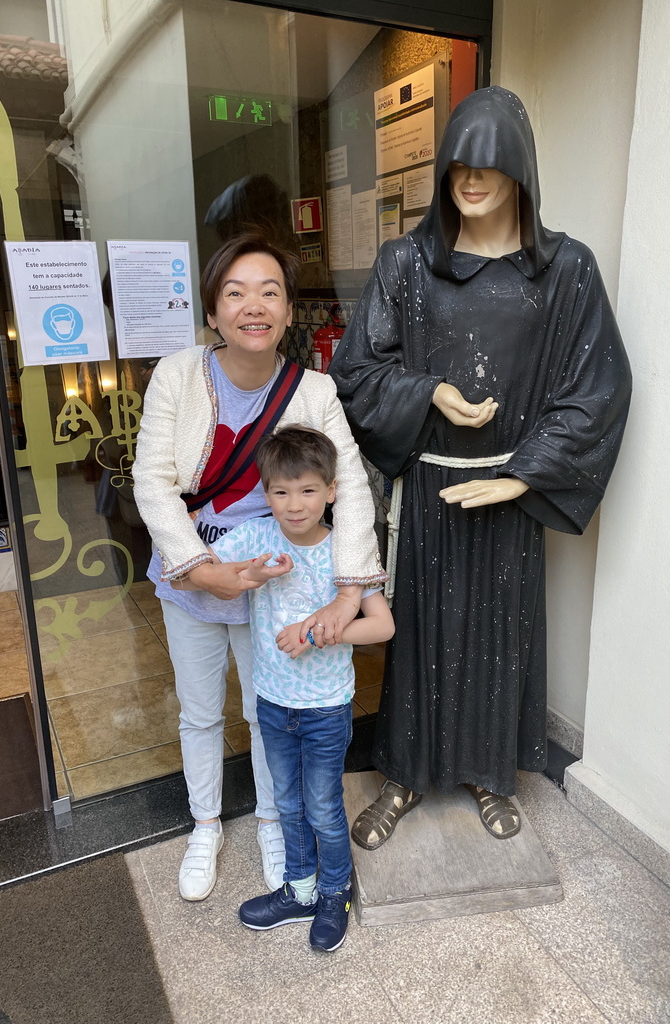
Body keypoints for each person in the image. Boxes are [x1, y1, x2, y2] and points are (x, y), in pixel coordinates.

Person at [329, 87, 632, 848]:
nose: (470, 178)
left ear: (521, 168)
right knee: (420, 636)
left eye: (489, 163)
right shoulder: (406, 264)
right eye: (458, 163)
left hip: (508, 490)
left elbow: (598, 388)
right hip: (429, 486)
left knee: (499, 636)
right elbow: (357, 372)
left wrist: (524, 474)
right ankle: (402, 775)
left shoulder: (565, 271)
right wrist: (428, 389)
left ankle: (489, 774)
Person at [132, 234, 386, 900]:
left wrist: (347, 593)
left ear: (287, 309)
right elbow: (153, 480)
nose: (253, 306)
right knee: (198, 713)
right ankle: (206, 826)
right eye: (235, 293)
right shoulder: (178, 375)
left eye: (269, 292)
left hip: (269, 585)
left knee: (262, 706)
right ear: (212, 311)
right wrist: (196, 567)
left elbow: (352, 486)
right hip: (194, 580)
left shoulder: (315, 390)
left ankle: (274, 821)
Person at [176, 426, 394, 951]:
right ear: (264, 492)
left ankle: (334, 892)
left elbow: (382, 627)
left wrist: (321, 635)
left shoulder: (347, 547)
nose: (294, 506)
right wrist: (240, 571)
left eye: (308, 491)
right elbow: (195, 572)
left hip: (325, 709)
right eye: (281, 492)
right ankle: (299, 892)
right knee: (289, 804)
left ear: (333, 491)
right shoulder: (257, 536)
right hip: (273, 705)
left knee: (321, 806)